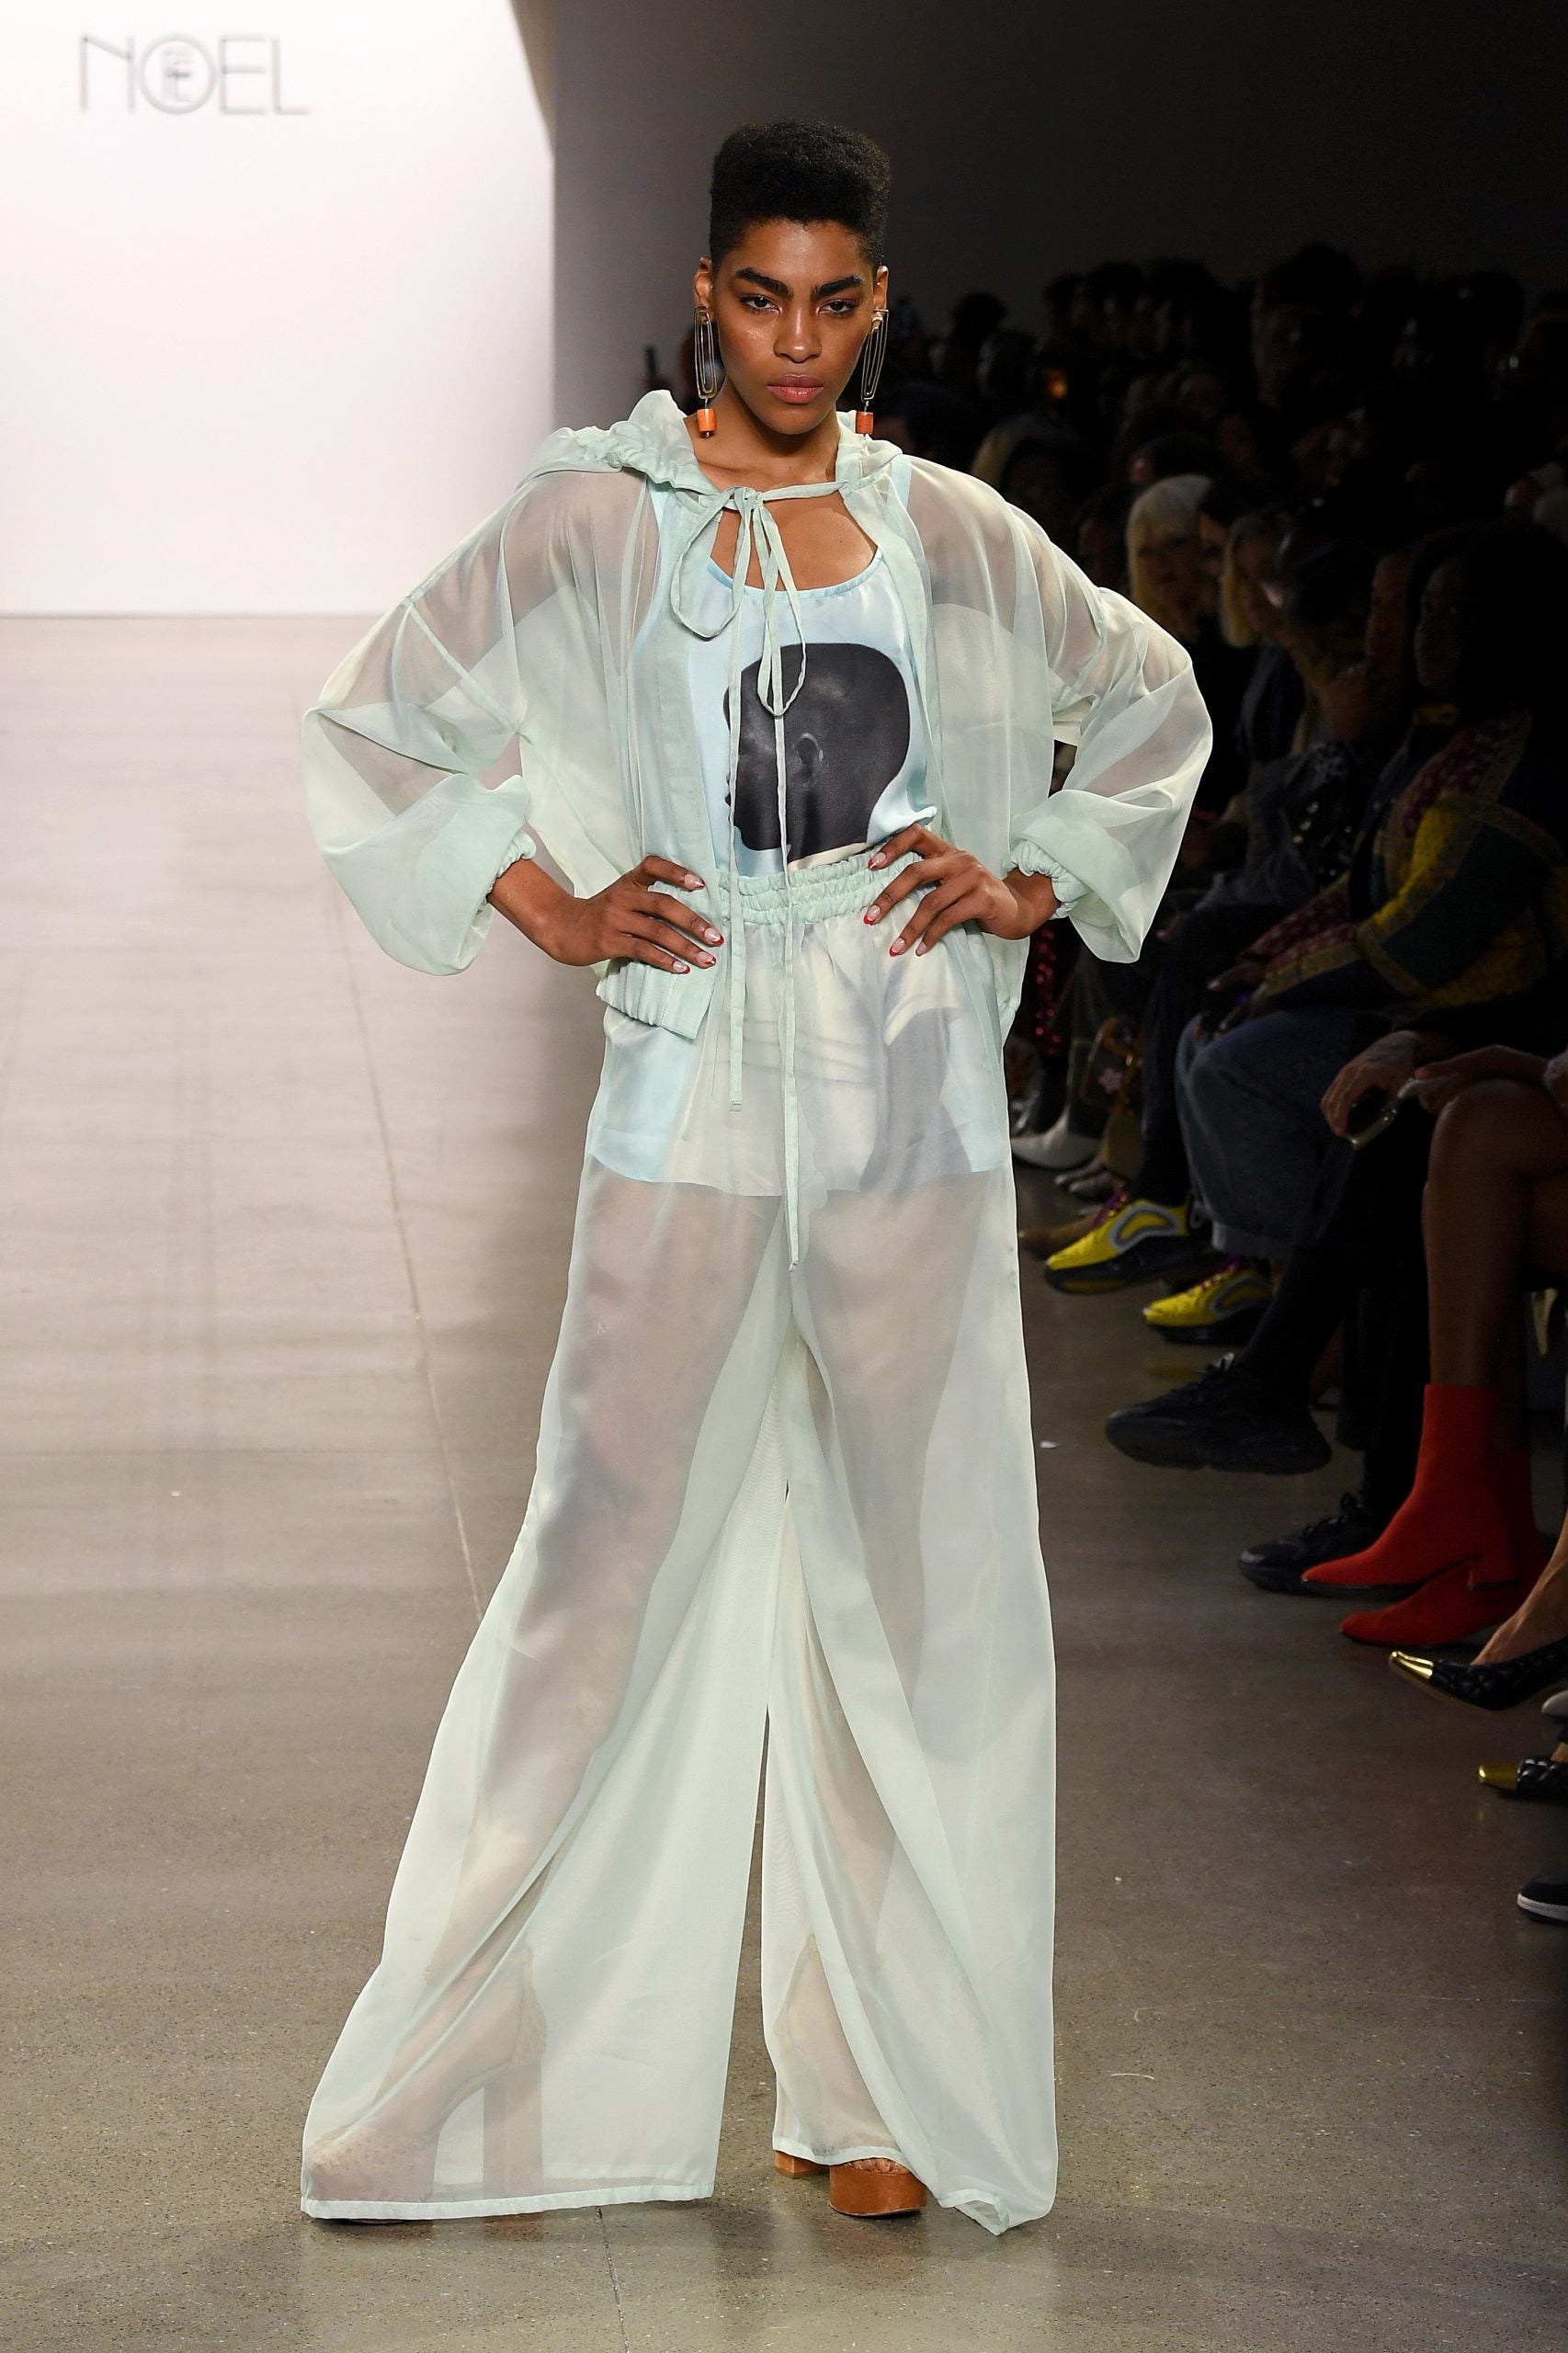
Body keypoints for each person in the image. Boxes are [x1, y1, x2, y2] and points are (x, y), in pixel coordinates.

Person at [294, 122, 1211, 2235]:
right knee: (595, 1568)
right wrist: (545, 897)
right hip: (691, 1086)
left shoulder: (945, 524)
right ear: (708, 295)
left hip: (901, 1095)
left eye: (834, 299)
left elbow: (1144, 693)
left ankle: (878, 2084)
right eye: (760, 297)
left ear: (876, 302)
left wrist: (1031, 874)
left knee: (915, 1586)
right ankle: (483, 2077)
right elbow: (378, 715)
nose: (795, 339)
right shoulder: (596, 515)